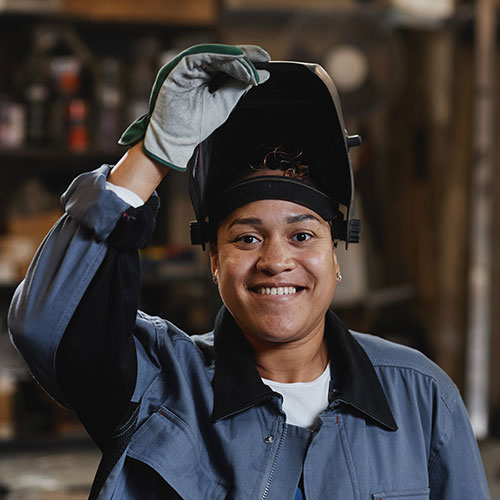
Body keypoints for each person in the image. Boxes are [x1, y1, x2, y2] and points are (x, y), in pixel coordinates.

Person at [8, 44, 489, 500]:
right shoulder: (158, 386)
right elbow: (50, 326)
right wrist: (153, 154)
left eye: (302, 236)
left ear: (335, 258)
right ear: (215, 261)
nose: (276, 260)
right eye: (247, 238)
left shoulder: (420, 396)